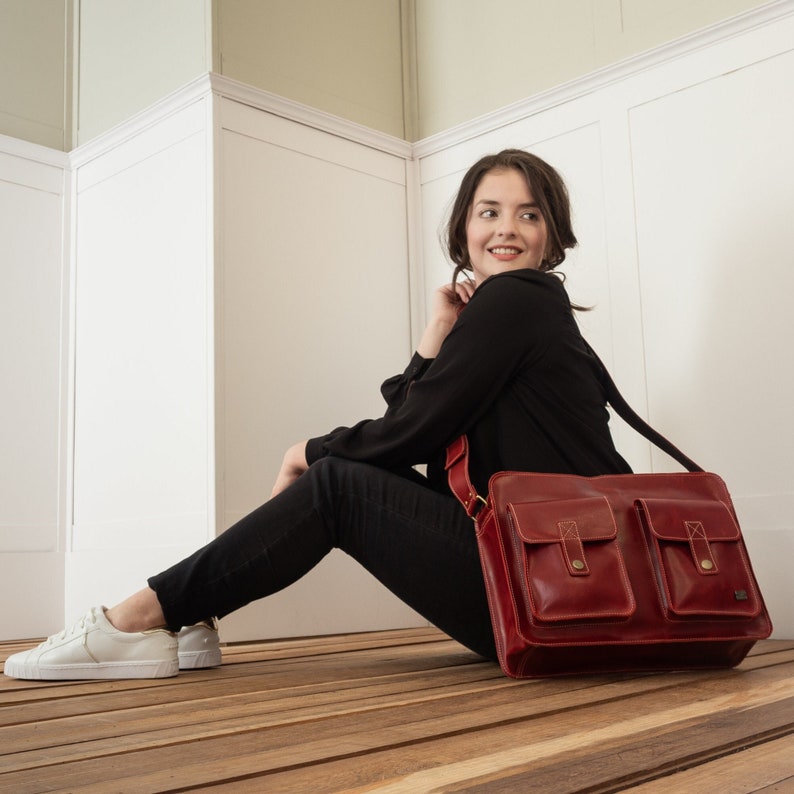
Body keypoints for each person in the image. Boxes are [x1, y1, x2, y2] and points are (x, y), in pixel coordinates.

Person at [4, 149, 631, 681]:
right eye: (488, 212)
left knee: (334, 484)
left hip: (551, 587)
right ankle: (188, 618)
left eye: (528, 214)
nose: (507, 229)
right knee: (341, 478)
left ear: (552, 233)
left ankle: (136, 621)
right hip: (553, 583)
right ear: (464, 229)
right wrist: (437, 331)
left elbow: (410, 433)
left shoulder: (516, 301)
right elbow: (417, 421)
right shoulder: (523, 312)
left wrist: (309, 449)